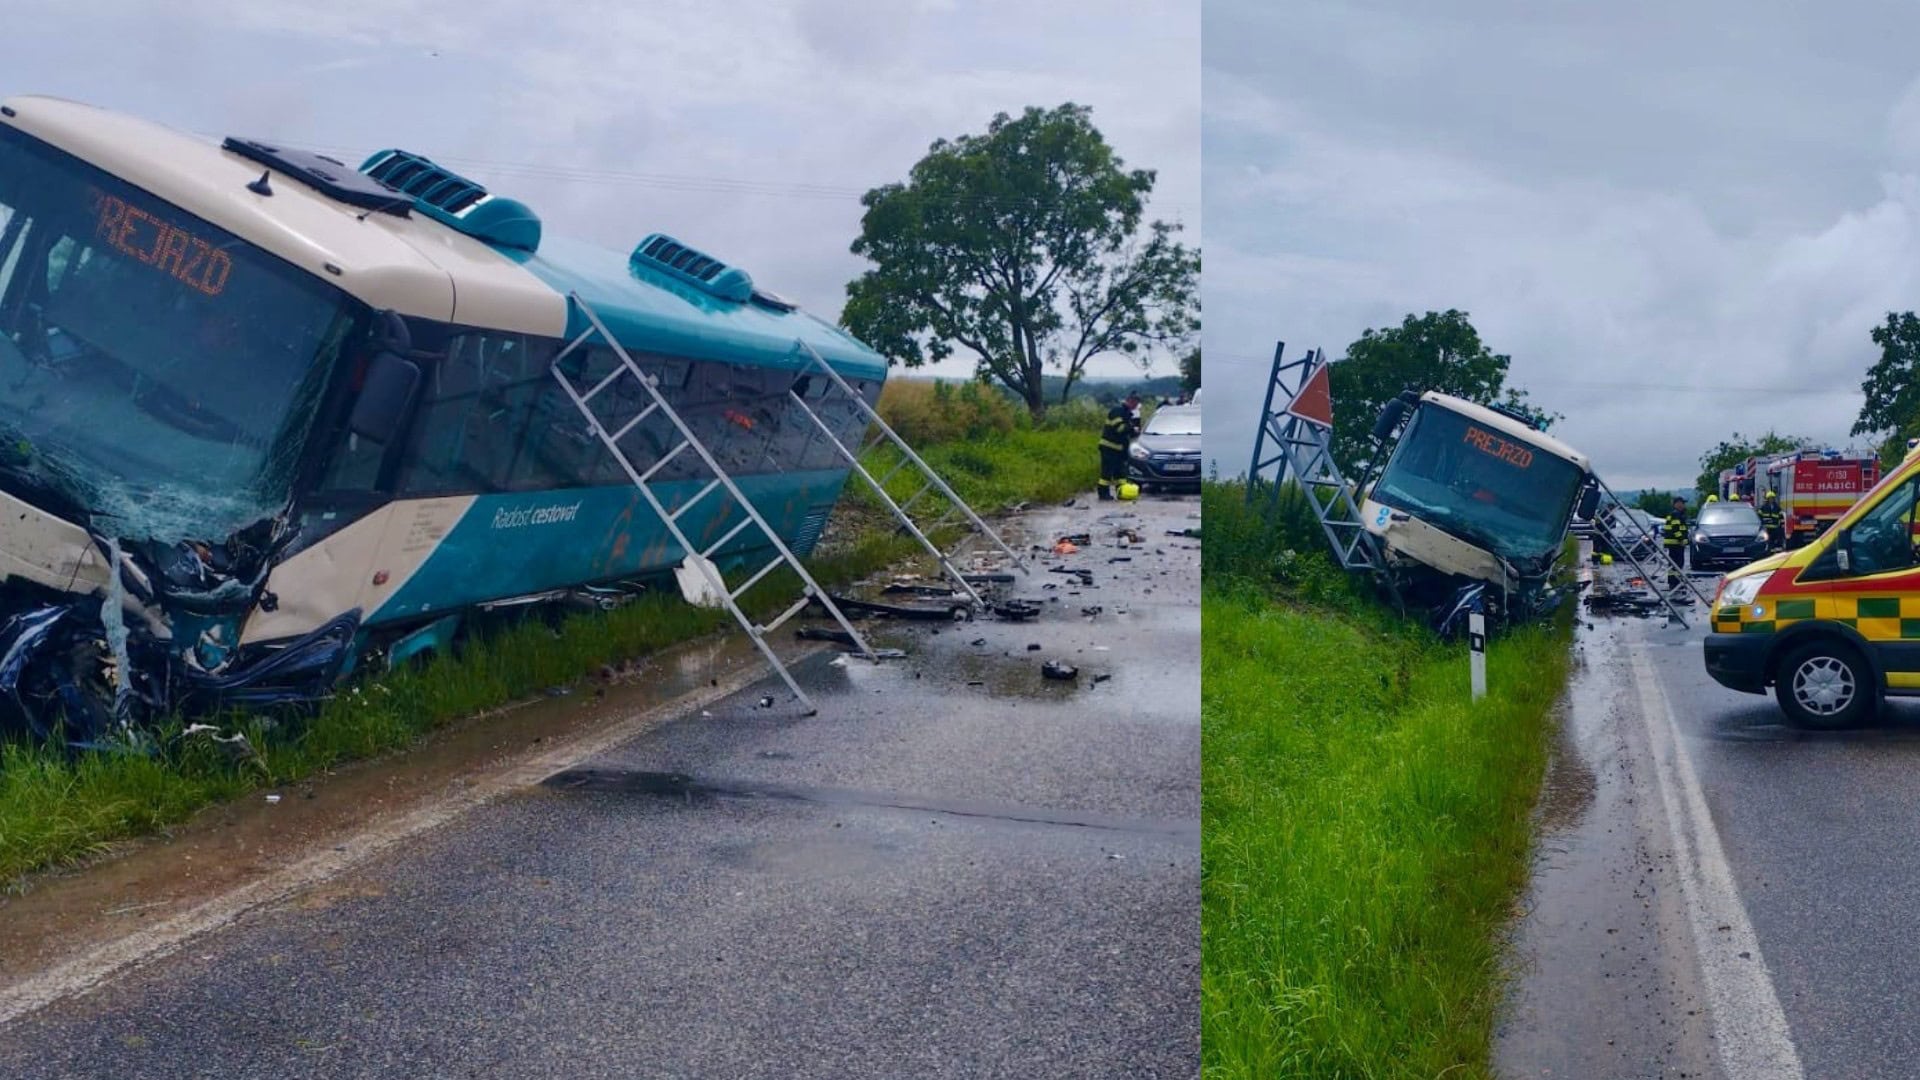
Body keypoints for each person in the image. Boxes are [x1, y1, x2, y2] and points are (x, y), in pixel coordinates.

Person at [1098, 391, 1142, 501]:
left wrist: (1135, 430)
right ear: (1130, 401)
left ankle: (1122, 492)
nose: (1136, 406)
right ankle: (1103, 495)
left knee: (1120, 474)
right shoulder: (1117, 411)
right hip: (1109, 448)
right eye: (1135, 403)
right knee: (1106, 474)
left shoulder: (1127, 413)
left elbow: (1129, 433)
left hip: (1119, 449)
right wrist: (1132, 428)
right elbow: (1119, 429)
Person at [1662, 495, 1691, 590]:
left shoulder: (1675, 514)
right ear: (1677, 504)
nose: (1683, 505)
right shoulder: (1676, 514)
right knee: (1677, 564)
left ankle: (1674, 582)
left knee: (1674, 564)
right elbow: (1676, 529)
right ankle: (1675, 583)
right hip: (1676, 543)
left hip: (1674, 543)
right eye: (1682, 503)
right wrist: (1681, 539)